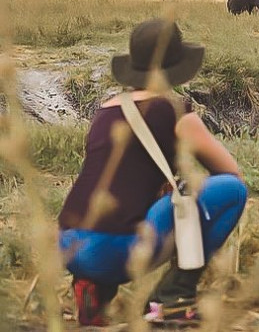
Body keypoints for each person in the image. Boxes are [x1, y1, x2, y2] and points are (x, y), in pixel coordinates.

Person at [58, 18, 247, 326]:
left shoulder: (106, 109)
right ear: (175, 67)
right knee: (232, 190)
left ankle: (94, 288)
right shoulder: (174, 110)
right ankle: (171, 299)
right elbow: (228, 170)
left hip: (68, 243)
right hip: (114, 250)